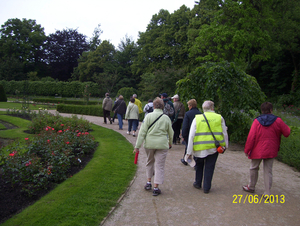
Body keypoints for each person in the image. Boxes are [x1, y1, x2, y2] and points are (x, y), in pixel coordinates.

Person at [242, 102, 290, 196]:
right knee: (268, 171)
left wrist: (247, 150)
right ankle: (267, 192)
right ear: (271, 110)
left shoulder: (256, 121)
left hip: (257, 150)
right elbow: (287, 133)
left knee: (253, 168)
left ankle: (251, 186)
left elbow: (251, 137)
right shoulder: (278, 121)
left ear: (262, 110)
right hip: (271, 149)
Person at [134, 97, 174, 196]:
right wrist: (170, 142)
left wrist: (137, 146)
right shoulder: (166, 118)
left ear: (154, 106)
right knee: (159, 165)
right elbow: (171, 132)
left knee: (149, 162)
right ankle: (156, 187)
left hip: (149, 144)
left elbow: (142, 132)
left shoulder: (148, 117)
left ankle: (148, 183)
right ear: (162, 106)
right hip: (162, 144)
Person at [186, 100, 228, 193]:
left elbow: (191, 136)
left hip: (199, 148)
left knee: (199, 165)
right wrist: (225, 145)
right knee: (210, 167)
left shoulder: (197, 119)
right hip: (214, 148)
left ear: (203, 108)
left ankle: (197, 183)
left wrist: (189, 151)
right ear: (212, 108)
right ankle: (206, 187)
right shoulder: (219, 118)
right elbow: (224, 133)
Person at [180, 99, 202, 165]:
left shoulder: (188, 114)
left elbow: (185, 125)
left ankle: (186, 160)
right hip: (198, 133)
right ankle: (196, 161)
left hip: (189, 133)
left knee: (188, 147)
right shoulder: (201, 114)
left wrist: (183, 135)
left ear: (191, 106)